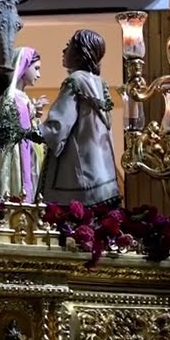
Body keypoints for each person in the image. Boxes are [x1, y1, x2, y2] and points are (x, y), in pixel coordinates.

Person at [36, 30, 120, 208]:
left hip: (76, 176)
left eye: (69, 46)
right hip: (102, 173)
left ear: (82, 53)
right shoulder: (99, 83)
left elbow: (59, 125)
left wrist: (32, 133)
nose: (64, 51)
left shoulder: (74, 81)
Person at [0, 46, 47, 202]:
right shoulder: (10, 97)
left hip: (29, 152)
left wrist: (33, 115)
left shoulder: (22, 96)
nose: (39, 74)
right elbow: (12, 123)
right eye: (36, 68)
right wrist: (31, 112)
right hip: (14, 157)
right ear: (24, 65)